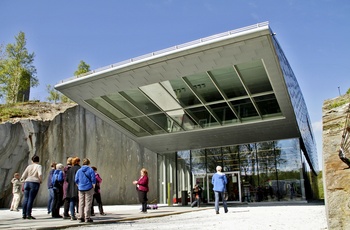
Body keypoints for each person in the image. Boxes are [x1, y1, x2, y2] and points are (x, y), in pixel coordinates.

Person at [21, 155, 43, 219]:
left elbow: (23, 175)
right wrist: (40, 180)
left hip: (27, 182)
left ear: (32, 160)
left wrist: (23, 180)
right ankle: (28, 214)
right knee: (31, 199)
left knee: (26, 198)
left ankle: (24, 214)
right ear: (38, 160)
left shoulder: (29, 166)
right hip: (34, 182)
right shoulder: (39, 166)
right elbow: (40, 174)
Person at [75, 158, 96, 223]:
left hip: (81, 188)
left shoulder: (79, 170)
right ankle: (87, 217)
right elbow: (93, 179)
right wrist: (93, 186)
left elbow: (76, 180)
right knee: (88, 203)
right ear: (89, 163)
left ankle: (81, 217)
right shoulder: (90, 170)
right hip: (89, 188)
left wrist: (79, 185)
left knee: (81, 203)